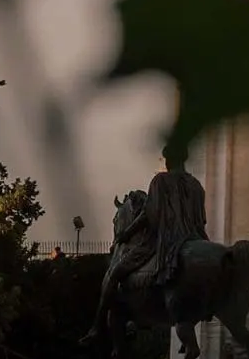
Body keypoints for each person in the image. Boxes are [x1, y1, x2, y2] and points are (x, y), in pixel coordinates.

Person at [80, 144, 208, 346]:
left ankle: (97, 326)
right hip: (196, 238)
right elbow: (202, 220)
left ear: (169, 160)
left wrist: (127, 233)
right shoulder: (196, 185)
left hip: (166, 240)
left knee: (115, 272)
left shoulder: (161, 180)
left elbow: (148, 214)